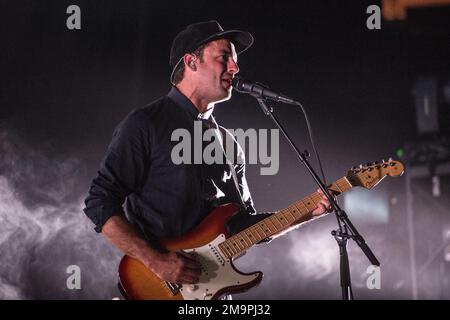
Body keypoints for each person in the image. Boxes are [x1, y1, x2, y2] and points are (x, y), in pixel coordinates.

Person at [83, 20, 331, 290]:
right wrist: (156, 260)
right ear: (191, 62)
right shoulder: (145, 124)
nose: (235, 68)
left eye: (234, 61)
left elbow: (243, 226)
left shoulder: (228, 142)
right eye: (224, 58)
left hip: (212, 292)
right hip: (158, 288)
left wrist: (309, 212)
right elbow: (99, 202)